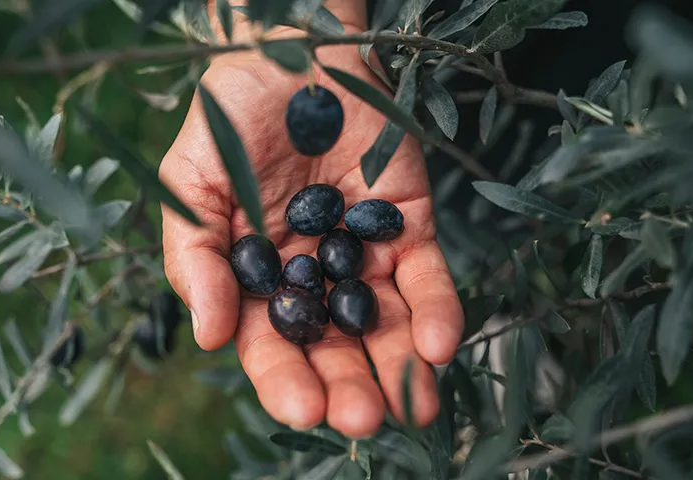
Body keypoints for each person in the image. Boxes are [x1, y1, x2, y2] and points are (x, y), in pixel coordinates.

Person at [158, 0, 464, 439]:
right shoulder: (316, 257)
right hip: (413, 91)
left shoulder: (328, 245)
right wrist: (273, 37)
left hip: (439, 61)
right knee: (458, 186)